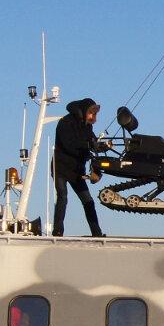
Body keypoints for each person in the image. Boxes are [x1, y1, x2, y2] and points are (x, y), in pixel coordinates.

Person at [53, 97, 109, 237]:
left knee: (88, 201)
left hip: (77, 171)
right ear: (84, 111)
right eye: (91, 113)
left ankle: (96, 233)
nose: (93, 117)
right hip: (60, 168)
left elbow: (92, 142)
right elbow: (69, 144)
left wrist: (101, 146)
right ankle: (58, 231)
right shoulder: (65, 122)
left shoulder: (87, 126)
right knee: (62, 197)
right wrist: (88, 145)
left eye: (94, 114)